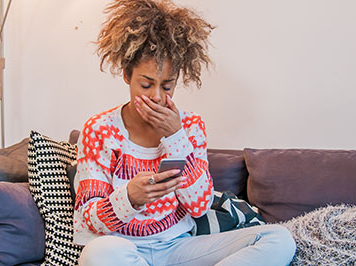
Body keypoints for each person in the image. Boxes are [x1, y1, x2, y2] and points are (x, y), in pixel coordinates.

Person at [73, 0, 296, 265]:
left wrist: (175, 137)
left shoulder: (190, 126)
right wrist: (129, 197)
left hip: (180, 248)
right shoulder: (99, 129)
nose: (156, 97)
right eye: (146, 85)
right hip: (124, 249)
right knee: (97, 254)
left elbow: (199, 206)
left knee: (279, 239)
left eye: (167, 86)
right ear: (126, 75)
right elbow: (89, 217)